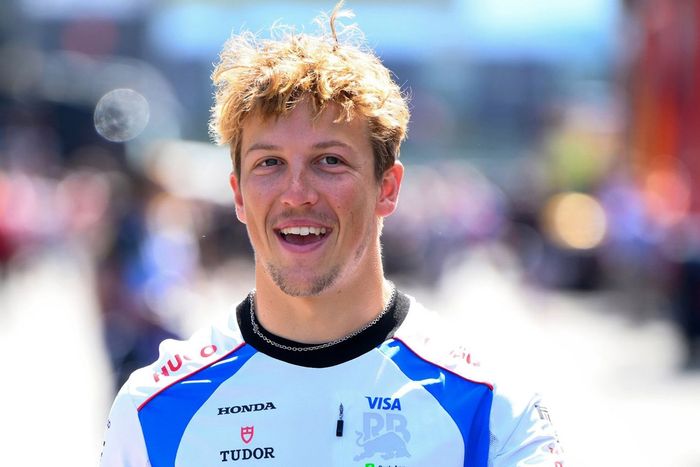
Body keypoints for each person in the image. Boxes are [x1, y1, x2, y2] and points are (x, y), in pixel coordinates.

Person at [100, 2, 565, 465]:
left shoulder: (492, 410)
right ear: (238, 194)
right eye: (269, 163)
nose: (297, 194)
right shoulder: (152, 410)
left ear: (387, 188)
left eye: (330, 161)